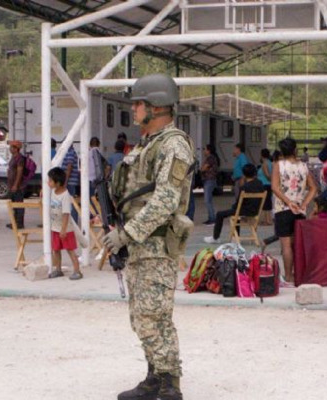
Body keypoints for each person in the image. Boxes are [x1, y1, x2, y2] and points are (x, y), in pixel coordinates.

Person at [102, 74, 193, 400]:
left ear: (155, 106)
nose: (133, 108)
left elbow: (166, 200)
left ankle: (170, 382)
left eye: (138, 103)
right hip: (139, 245)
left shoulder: (173, 145)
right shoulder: (147, 144)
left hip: (156, 243)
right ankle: (154, 375)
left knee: (155, 314)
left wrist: (126, 234)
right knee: (140, 316)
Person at [272, 138, 318, 285]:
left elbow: (274, 187)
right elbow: (313, 188)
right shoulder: (304, 166)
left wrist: (288, 202)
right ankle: (298, 275)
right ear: (295, 150)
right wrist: (304, 203)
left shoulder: (278, 165)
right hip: (300, 210)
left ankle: (288, 277)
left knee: (286, 245)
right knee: (296, 244)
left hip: (283, 209)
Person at [203, 164, 264, 244]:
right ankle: (235, 237)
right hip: (255, 211)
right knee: (236, 211)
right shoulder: (260, 184)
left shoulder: (245, 187)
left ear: (244, 175)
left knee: (222, 214)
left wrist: (234, 207)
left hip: (244, 211)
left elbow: (239, 203)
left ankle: (216, 237)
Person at [47, 167, 82, 281]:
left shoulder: (65, 195)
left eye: (50, 180)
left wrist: (63, 229)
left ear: (57, 183)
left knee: (70, 249)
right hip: (55, 227)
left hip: (65, 229)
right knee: (55, 249)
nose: (48, 182)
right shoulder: (52, 192)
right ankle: (58, 269)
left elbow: (66, 213)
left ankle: (77, 271)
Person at [7, 140, 26, 229]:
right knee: (14, 204)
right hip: (12, 185)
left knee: (19, 204)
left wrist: (15, 184)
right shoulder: (13, 157)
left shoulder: (20, 158)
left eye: (12, 147)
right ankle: (14, 222)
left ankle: (19, 223)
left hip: (18, 186)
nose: (10, 148)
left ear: (16, 149)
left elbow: (19, 172)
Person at [200, 144, 219, 225]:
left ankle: (212, 218)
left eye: (205, 149)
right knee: (209, 200)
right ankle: (211, 217)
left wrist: (202, 168)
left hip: (209, 180)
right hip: (209, 180)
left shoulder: (210, 158)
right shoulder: (211, 158)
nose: (204, 151)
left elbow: (203, 168)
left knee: (207, 200)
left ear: (209, 150)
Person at [257, 148, 273, 225]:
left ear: (261, 155)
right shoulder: (270, 162)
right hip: (268, 185)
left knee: (264, 203)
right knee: (268, 202)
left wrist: (272, 180)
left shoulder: (264, 164)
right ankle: (267, 219)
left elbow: (267, 175)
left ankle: (267, 220)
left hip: (264, 185)